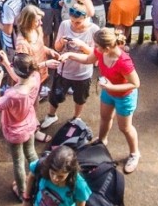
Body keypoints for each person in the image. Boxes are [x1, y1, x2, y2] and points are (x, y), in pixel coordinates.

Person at [60, 28, 142, 173]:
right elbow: (87, 59)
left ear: (108, 47)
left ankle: (134, 153)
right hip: (108, 92)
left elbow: (135, 84)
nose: (94, 48)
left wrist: (111, 86)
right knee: (105, 117)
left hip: (124, 97)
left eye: (97, 46)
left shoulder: (124, 62)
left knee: (125, 127)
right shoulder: (100, 52)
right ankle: (102, 140)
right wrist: (69, 55)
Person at [0, 50, 42, 202]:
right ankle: (39, 182)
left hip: (15, 131)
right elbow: (19, 78)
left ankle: (21, 193)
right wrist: (7, 63)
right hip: (29, 124)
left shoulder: (12, 95)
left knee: (19, 162)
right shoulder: (35, 77)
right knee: (31, 153)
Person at [41, 3, 101, 129]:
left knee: (80, 98)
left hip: (83, 74)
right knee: (55, 96)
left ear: (86, 18)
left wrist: (81, 45)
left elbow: (95, 54)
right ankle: (51, 115)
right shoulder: (65, 24)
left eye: (78, 22)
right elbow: (57, 48)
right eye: (72, 21)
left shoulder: (94, 30)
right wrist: (61, 42)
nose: (74, 24)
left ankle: (76, 117)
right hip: (64, 71)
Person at [14, 4, 61, 142]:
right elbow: (24, 68)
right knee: (29, 104)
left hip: (39, 74)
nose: (41, 23)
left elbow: (40, 45)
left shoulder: (37, 29)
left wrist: (48, 51)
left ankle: (32, 124)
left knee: (35, 102)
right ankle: (33, 131)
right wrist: (46, 63)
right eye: (37, 20)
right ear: (28, 21)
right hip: (29, 78)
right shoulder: (21, 43)